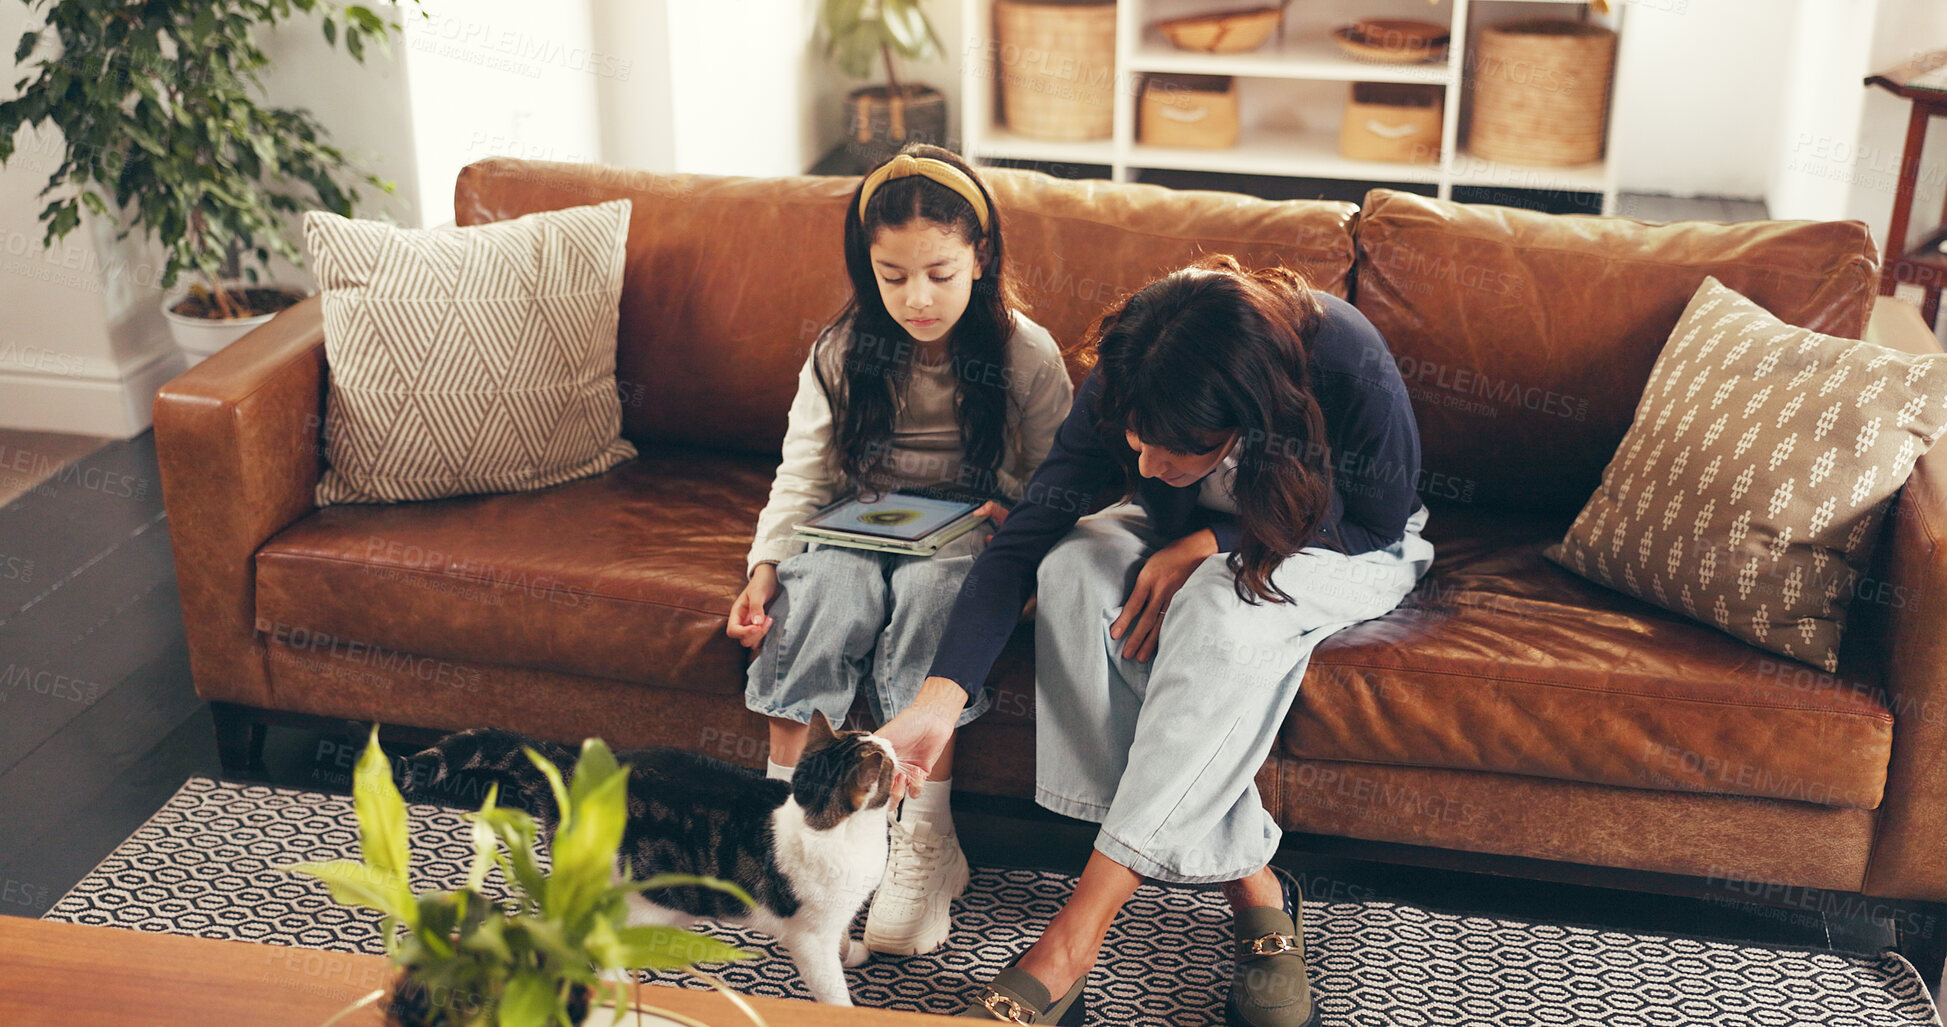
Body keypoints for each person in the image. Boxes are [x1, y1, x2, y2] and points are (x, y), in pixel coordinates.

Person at [878, 256, 1435, 1026]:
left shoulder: (1344, 354)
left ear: (1245, 416)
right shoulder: (1132, 367)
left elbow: (1376, 518)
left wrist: (1214, 537)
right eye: (1136, 441)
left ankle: (1073, 939)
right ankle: (1256, 887)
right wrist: (936, 703)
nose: (1142, 465)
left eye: (1174, 450)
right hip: (1197, 524)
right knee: (1071, 564)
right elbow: (1024, 539)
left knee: (1213, 601)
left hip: (1341, 540)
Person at [727, 144, 1074, 956]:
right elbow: (803, 469)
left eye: (939, 273)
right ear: (867, 266)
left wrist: (1014, 512)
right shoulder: (844, 348)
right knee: (828, 593)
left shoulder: (1025, 351)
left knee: (932, 599)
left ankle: (924, 838)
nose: (916, 298)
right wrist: (765, 567)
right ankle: (783, 834)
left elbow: (1063, 479)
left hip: (963, 538)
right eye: (892, 276)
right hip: (854, 522)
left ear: (980, 257)